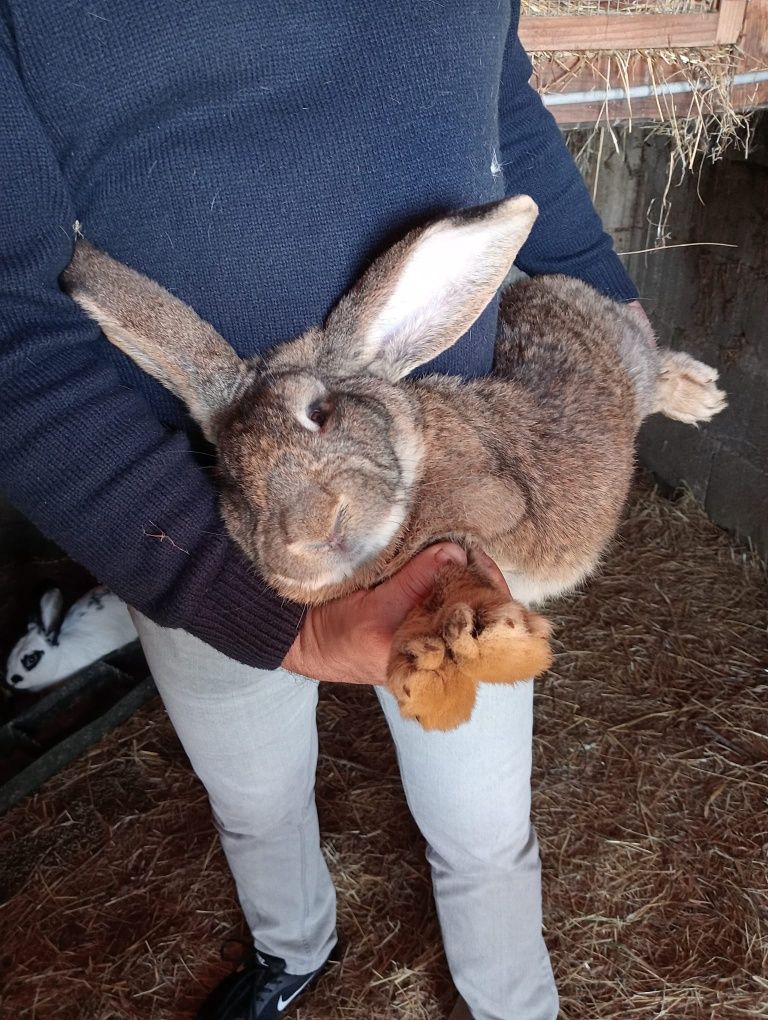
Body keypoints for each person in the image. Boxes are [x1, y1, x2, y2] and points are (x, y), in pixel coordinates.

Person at [0, 3, 645, 1018]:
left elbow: (498, 95)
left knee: (479, 810)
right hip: (208, 514)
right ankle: (289, 947)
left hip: (437, 480)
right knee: (252, 789)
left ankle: (512, 1000)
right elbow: (12, 313)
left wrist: (612, 298)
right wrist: (240, 601)